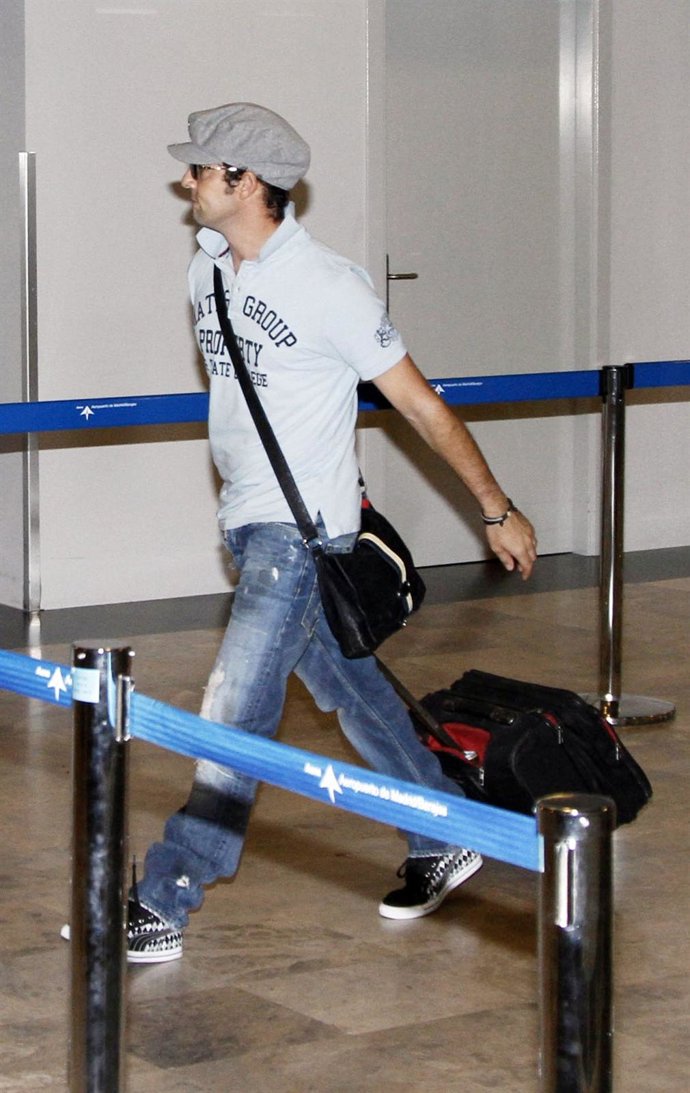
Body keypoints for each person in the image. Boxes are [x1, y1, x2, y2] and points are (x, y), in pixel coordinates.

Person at [127, 102, 538, 963]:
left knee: (232, 712)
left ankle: (165, 894)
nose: (187, 181)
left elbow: (421, 407)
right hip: (250, 525)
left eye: (201, 169)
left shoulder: (330, 285)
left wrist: (494, 508)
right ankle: (445, 828)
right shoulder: (205, 275)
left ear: (246, 182)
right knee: (356, 696)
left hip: (298, 537)